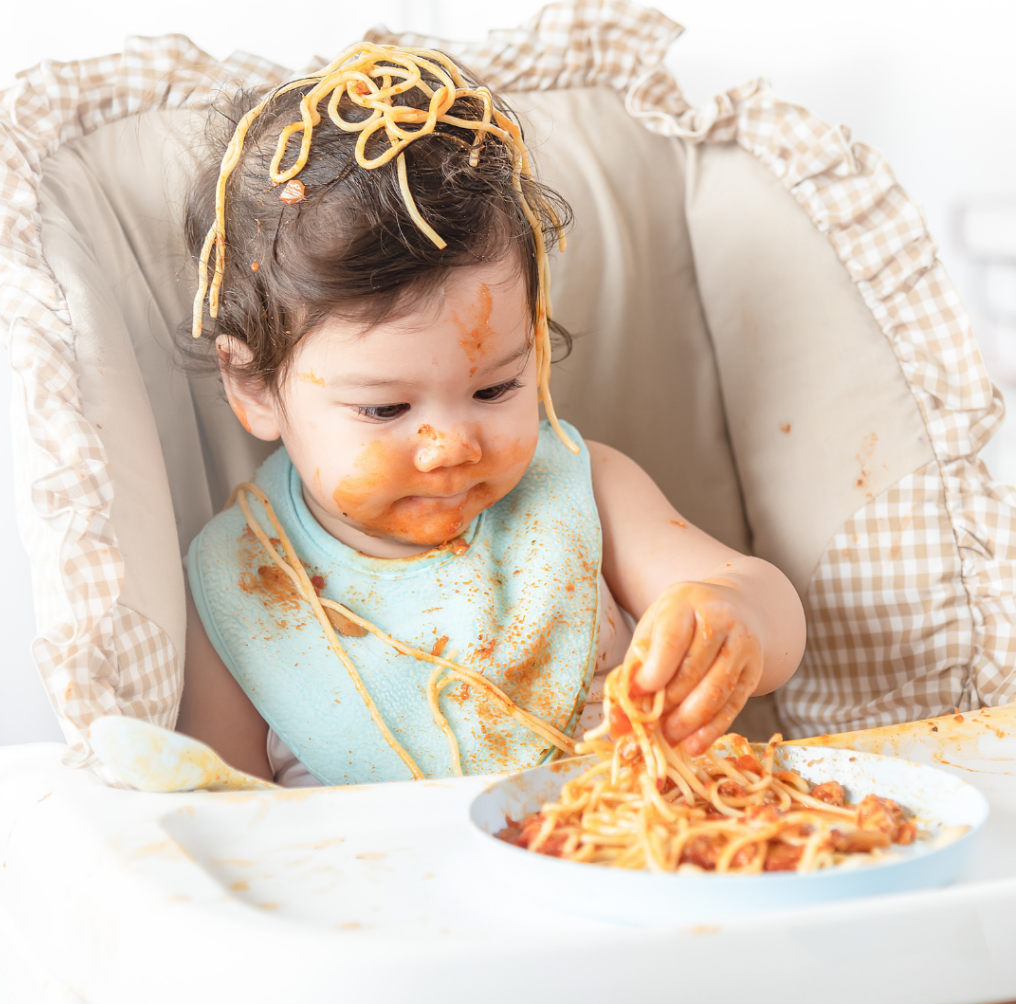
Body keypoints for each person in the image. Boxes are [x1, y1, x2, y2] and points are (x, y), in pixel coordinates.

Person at [176, 43, 806, 788]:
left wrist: (732, 615)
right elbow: (222, 816)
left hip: (627, 861)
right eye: (385, 407)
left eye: (495, 390)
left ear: (533, 343)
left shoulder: (586, 487)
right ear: (253, 386)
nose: (450, 446)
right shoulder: (238, 586)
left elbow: (776, 619)